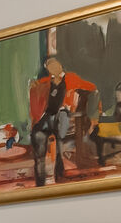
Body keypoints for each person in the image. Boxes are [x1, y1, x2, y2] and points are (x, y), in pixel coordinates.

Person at [28, 56, 100, 186]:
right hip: (47, 117)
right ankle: (40, 179)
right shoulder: (46, 81)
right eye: (50, 66)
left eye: (55, 64)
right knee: (37, 134)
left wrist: (92, 115)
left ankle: (59, 167)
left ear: (60, 65)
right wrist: (34, 84)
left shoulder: (71, 78)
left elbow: (92, 88)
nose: (53, 68)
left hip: (63, 114)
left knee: (60, 119)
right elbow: (36, 85)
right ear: (48, 69)